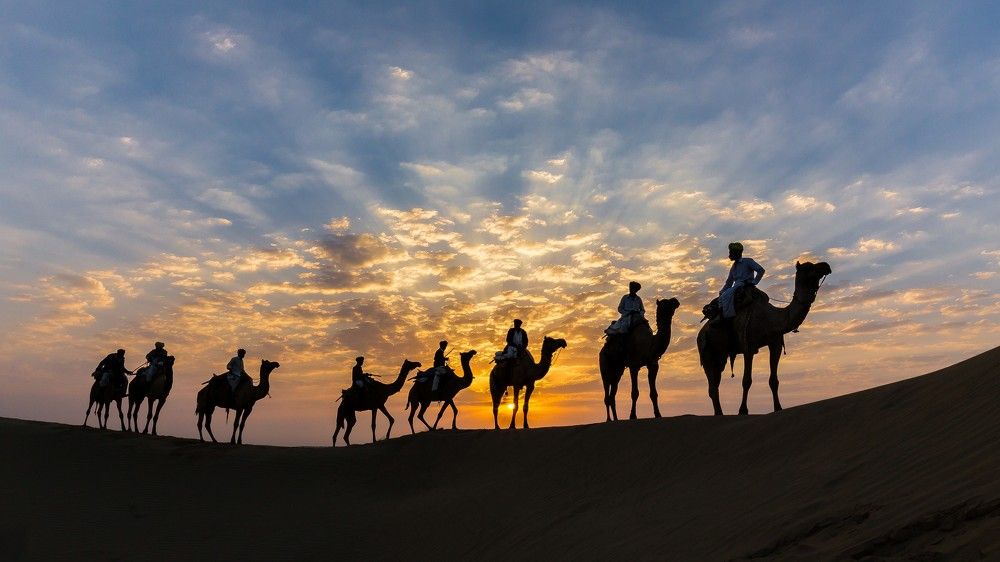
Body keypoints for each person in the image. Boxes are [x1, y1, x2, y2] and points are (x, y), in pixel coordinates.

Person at [718, 242, 765, 320]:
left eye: (731, 253)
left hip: (744, 285)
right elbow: (729, 282)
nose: (730, 254)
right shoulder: (733, 267)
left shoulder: (748, 261)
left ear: (737, 253)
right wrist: (722, 291)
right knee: (721, 297)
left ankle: (729, 317)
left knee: (726, 296)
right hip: (736, 286)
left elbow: (761, 270)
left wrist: (753, 282)